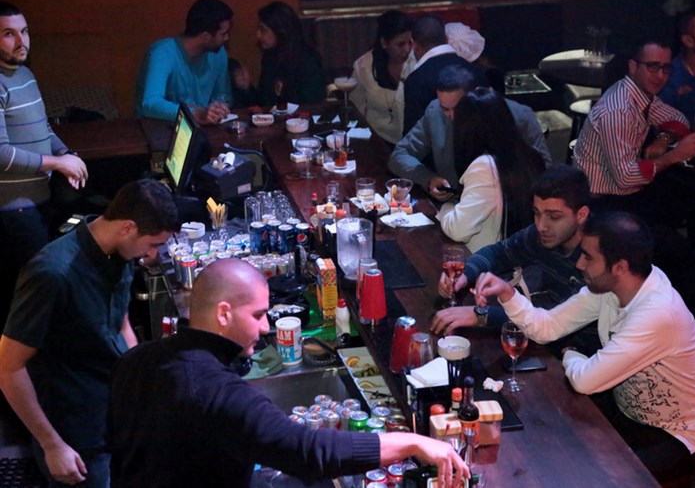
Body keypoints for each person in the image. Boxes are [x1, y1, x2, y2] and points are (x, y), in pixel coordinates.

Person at [108, 258, 467, 488]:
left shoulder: (135, 360)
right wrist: (414, 442)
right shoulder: (217, 392)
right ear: (223, 314)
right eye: (257, 315)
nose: (266, 326)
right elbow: (308, 452)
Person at [474, 211, 695, 483]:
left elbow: (585, 381)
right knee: (550, 450)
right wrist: (507, 294)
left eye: (588, 257)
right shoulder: (611, 288)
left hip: (680, 435)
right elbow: (546, 328)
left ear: (619, 267)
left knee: (585, 478)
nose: (580, 263)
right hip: (627, 413)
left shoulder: (657, 313)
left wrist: (569, 352)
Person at [0, 179, 178, 488]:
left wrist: (138, 384)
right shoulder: (52, 274)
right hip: (74, 432)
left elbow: (120, 321)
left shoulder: (119, 254)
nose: (152, 254)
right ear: (127, 227)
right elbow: (8, 367)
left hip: (112, 413)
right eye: (152, 244)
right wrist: (51, 445)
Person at [0, 1, 88, 331]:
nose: (21, 41)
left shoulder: (24, 74)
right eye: (8, 34)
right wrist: (57, 163)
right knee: (33, 298)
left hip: (39, 201)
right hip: (13, 211)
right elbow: (2, 154)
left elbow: (43, 129)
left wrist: (67, 154)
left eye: (23, 31)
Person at [432, 165, 590, 336]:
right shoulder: (541, 235)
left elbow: (553, 320)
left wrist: (482, 315)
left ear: (581, 214)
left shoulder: (596, 257)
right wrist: (465, 274)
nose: (541, 225)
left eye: (554, 217)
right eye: (537, 213)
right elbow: (498, 253)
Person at [572, 39, 695, 227]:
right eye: (653, 67)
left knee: (693, 194)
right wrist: (674, 155)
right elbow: (625, 178)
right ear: (633, 67)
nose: (660, 76)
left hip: (624, 192)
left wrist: (663, 139)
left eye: (665, 68)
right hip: (601, 203)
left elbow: (679, 119)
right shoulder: (618, 110)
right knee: (692, 205)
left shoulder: (640, 94)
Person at [389, 65, 552, 203]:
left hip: (505, 210)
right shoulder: (435, 113)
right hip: (454, 208)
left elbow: (544, 169)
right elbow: (399, 155)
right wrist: (429, 179)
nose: (451, 116)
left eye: (458, 108)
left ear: (476, 96)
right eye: (445, 109)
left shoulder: (520, 116)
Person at [436, 87, 546, 252]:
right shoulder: (530, 156)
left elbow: (459, 230)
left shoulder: (484, 168)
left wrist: (446, 208)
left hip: (487, 261)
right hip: (519, 257)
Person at [135, 0, 233, 125]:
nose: (227, 38)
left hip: (202, 127)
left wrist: (219, 108)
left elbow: (223, 95)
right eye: (223, 34)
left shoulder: (218, 54)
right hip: (159, 126)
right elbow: (150, 103)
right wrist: (195, 113)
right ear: (206, 36)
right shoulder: (163, 53)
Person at [231, 1, 325, 108]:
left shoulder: (308, 60)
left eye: (263, 30)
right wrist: (247, 87)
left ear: (281, 31)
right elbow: (265, 101)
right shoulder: (270, 57)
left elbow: (313, 103)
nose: (258, 35)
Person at [402, 15, 485, 135]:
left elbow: (413, 134)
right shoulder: (475, 71)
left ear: (414, 45)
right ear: (446, 39)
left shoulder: (416, 80)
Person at [349, 10, 412, 144]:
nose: (407, 49)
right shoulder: (364, 67)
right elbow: (356, 111)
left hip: (414, 141)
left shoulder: (417, 61)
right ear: (384, 42)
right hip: (378, 139)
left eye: (410, 43)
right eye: (400, 44)